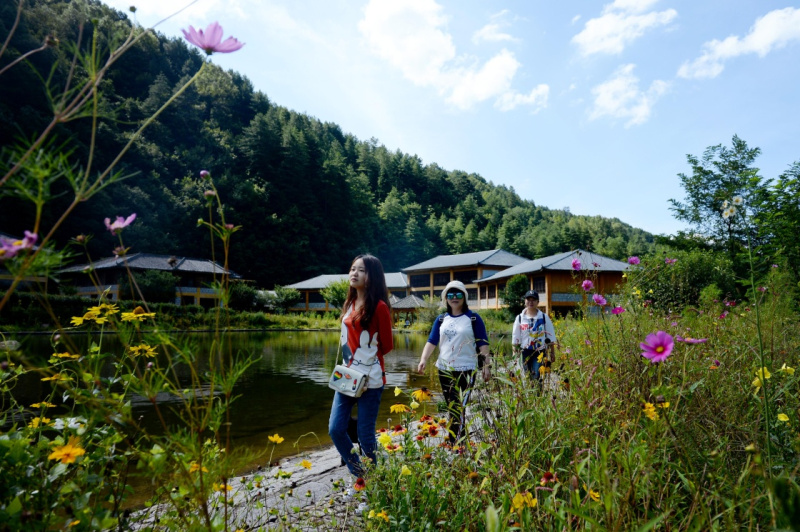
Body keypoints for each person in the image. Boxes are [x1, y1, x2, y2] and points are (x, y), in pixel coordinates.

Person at [329, 254, 394, 477]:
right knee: (336, 429)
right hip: (347, 375)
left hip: (370, 379)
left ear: (372, 276)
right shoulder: (349, 303)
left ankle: (372, 483)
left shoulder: (380, 307)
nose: (354, 273)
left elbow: (387, 346)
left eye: (361, 270)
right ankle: (360, 474)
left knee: (365, 434)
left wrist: (366, 362)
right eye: (352, 269)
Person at [417, 280, 490, 444]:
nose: (454, 298)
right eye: (450, 295)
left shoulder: (473, 318)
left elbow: (483, 343)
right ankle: (456, 440)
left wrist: (487, 366)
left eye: (458, 294)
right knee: (452, 405)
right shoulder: (441, 319)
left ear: (464, 297)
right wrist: (423, 359)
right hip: (444, 368)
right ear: (445, 298)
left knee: (459, 405)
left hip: (466, 368)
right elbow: (432, 341)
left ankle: (458, 441)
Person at [512, 290, 556, 386]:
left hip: (539, 351)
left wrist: (552, 352)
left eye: (533, 300)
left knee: (537, 375)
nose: (531, 302)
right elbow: (516, 337)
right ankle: (529, 398)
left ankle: (538, 397)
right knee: (526, 376)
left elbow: (550, 335)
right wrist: (515, 354)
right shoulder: (519, 318)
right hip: (525, 351)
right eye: (528, 299)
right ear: (525, 301)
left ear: (537, 302)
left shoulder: (544, 317)